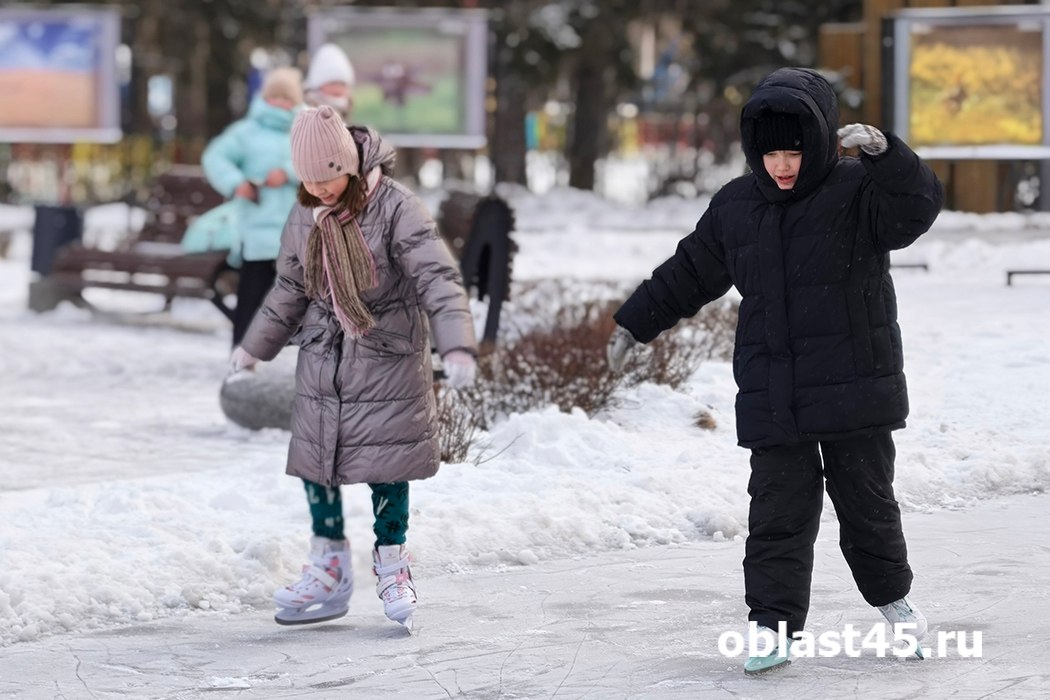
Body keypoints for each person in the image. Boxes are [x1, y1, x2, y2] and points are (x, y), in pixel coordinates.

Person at [606, 67, 944, 675]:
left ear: (818, 143)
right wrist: (635, 321)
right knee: (777, 515)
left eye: (794, 150)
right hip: (776, 392)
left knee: (868, 505)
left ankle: (897, 604)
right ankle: (771, 627)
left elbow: (917, 208)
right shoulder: (737, 206)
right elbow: (689, 271)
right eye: (771, 153)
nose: (783, 165)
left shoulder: (856, 191)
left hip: (854, 386)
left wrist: (889, 157)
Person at [230, 105, 478, 630]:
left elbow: (437, 277)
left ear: (349, 164)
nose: (320, 189)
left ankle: (392, 564)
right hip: (324, 356)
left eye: (329, 177)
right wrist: (254, 348)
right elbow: (291, 289)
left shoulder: (395, 207)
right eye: (309, 179)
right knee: (316, 463)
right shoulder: (305, 213)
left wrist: (456, 346)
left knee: (388, 469)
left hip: (385, 355)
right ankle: (329, 568)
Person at [200, 67, 303, 346]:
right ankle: (242, 362)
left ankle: (290, 366)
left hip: (299, 236)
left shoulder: (305, 127)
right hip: (258, 235)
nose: (281, 103)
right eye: (276, 96)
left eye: (287, 97)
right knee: (252, 302)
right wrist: (237, 183)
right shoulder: (246, 132)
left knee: (296, 306)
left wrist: (288, 172)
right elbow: (215, 157)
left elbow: (326, 160)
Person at [304, 43, 355, 120]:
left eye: (342, 84)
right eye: (332, 83)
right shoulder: (304, 119)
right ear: (317, 85)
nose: (338, 89)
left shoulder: (351, 121)